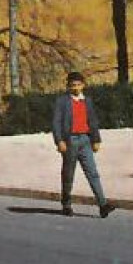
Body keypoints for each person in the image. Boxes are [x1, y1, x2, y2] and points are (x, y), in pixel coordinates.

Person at [51, 70, 115, 217]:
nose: (76, 88)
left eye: (78, 85)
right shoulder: (62, 101)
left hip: (85, 140)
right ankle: (66, 205)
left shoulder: (87, 101)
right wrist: (59, 141)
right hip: (70, 141)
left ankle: (103, 204)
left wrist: (96, 139)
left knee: (93, 173)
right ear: (68, 86)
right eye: (72, 85)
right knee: (68, 175)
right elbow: (56, 122)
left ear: (83, 85)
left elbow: (93, 121)